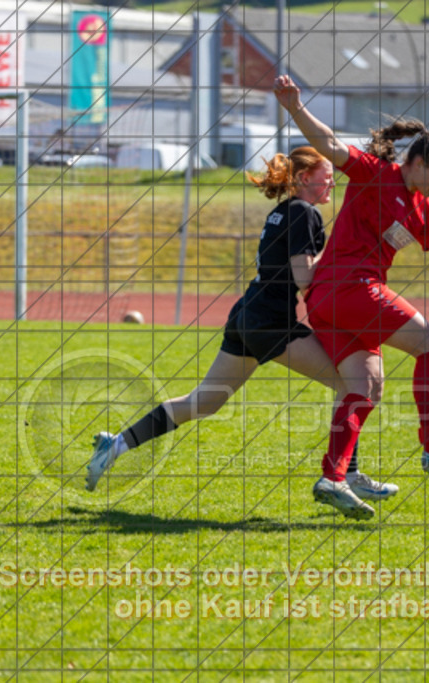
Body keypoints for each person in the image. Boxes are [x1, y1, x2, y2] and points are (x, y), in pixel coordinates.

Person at [85, 146, 398, 502]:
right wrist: (343, 254)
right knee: (352, 384)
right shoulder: (304, 211)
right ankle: (347, 475)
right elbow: (304, 279)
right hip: (270, 322)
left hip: (247, 314)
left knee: (204, 401)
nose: (333, 184)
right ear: (303, 178)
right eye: (327, 177)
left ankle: (116, 444)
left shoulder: (284, 210)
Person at [274, 75, 429, 521]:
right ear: (418, 162)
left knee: (364, 387)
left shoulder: (425, 208)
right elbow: (329, 143)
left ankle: (333, 477)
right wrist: (294, 108)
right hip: (350, 289)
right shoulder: (374, 174)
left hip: (328, 302)